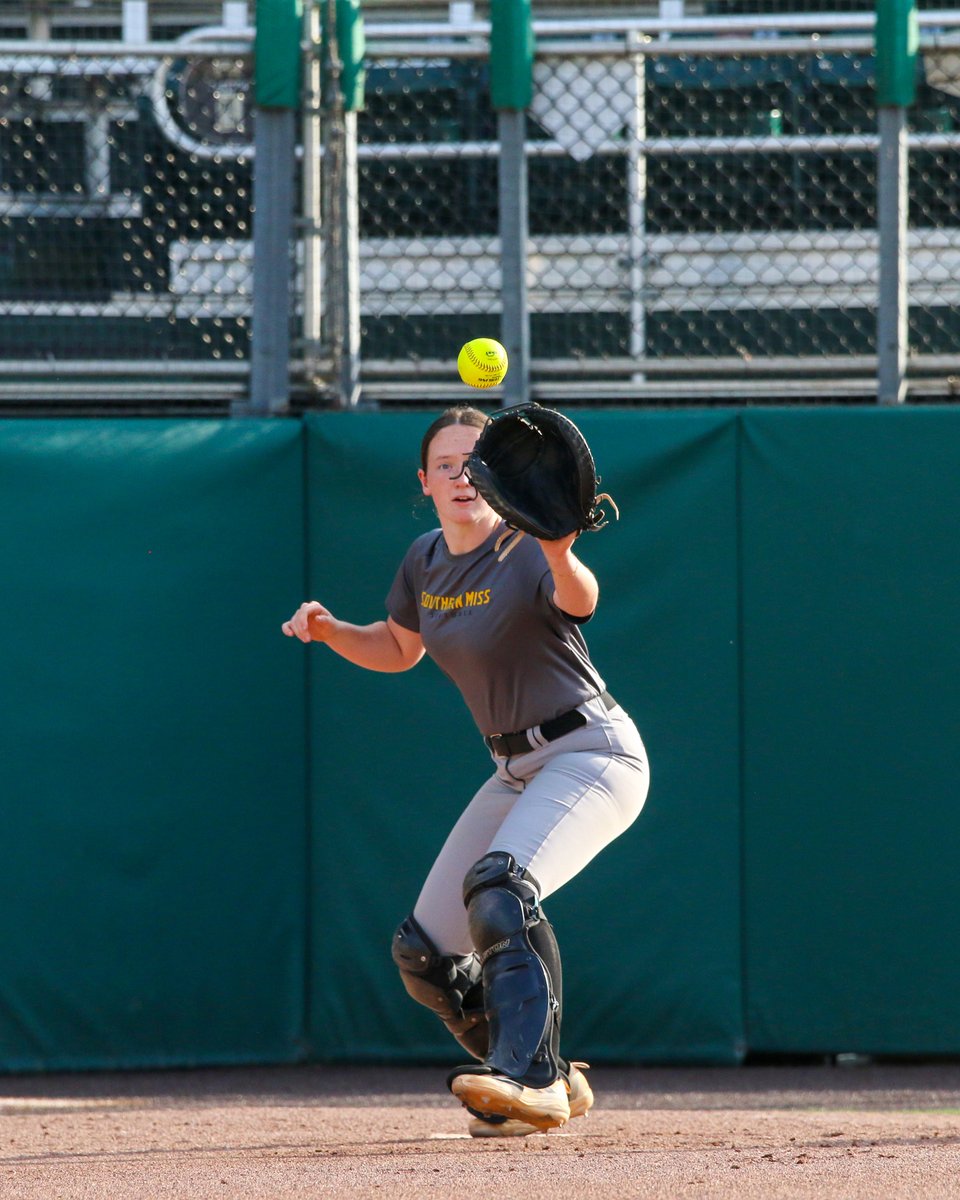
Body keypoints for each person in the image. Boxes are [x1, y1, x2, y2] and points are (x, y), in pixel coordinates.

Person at [282, 404, 649, 1136]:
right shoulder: (424, 559)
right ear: (425, 481)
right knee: (424, 953)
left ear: (496, 477)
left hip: (590, 753)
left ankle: (529, 1076)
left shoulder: (523, 545)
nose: (461, 476)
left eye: (476, 463)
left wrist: (557, 548)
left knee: (501, 887)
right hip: (514, 768)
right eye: (446, 465)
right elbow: (396, 646)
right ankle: (539, 1076)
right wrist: (330, 633)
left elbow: (583, 600)